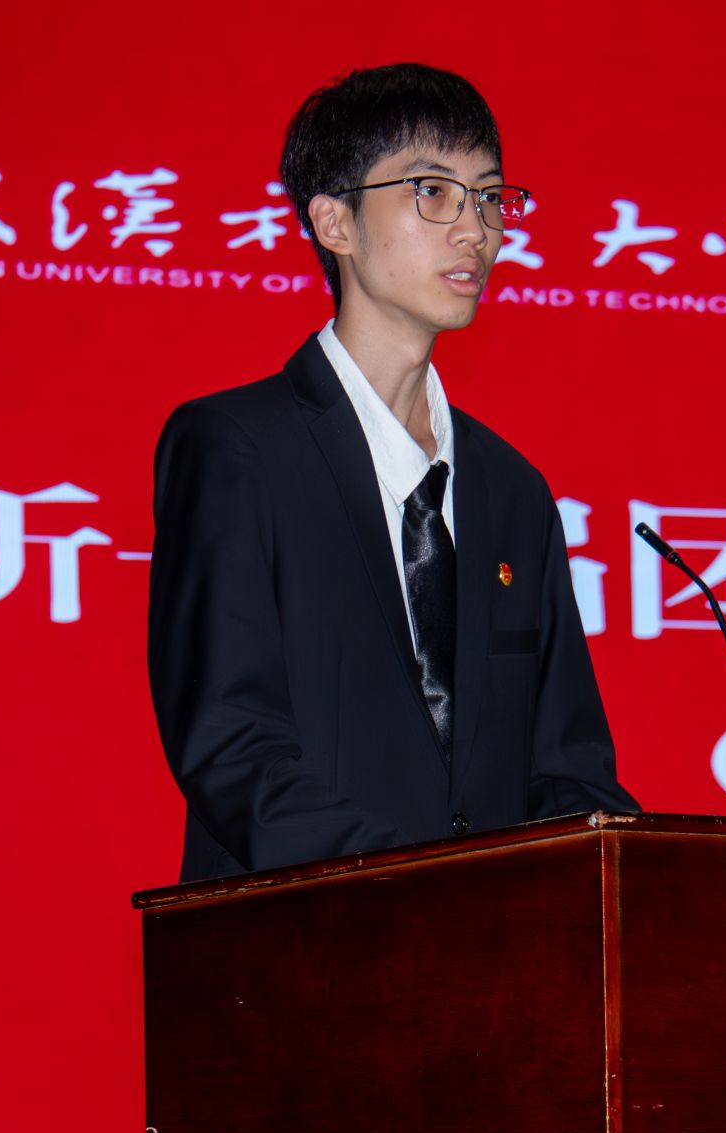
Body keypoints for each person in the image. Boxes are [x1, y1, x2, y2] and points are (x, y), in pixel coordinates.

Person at [147, 63, 639, 881]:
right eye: (433, 192)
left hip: (497, 946)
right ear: (334, 222)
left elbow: (569, 768)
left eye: (490, 197)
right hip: (302, 930)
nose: (475, 230)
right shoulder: (237, 448)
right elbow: (230, 745)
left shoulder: (512, 491)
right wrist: (416, 887)